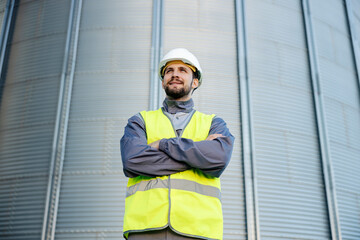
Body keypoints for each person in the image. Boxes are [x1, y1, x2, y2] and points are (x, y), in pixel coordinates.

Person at [120, 48, 234, 240]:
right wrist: (197, 157)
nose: (175, 74)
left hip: (198, 228)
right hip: (146, 227)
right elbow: (133, 161)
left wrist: (163, 144)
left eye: (183, 70)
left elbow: (218, 160)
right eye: (169, 71)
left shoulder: (214, 123)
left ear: (195, 81)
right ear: (163, 80)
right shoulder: (140, 121)